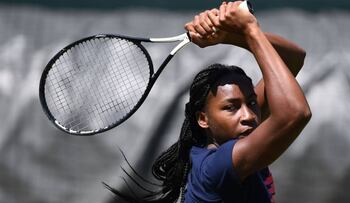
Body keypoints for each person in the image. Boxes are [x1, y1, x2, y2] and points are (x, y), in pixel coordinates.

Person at [106, 1, 311, 202]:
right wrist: (250, 29)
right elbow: (295, 113)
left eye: (252, 103)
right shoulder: (217, 167)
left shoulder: (235, 141)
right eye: (231, 107)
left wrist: (227, 36)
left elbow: (293, 59)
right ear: (203, 119)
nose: (248, 116)